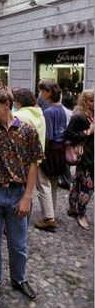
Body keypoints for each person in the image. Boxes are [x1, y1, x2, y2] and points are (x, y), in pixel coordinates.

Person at [0, 84, 44, 304]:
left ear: (7, 104)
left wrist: (27, 197)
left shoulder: (27, 131)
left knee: (18, 242)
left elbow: (34, 163)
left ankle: (19, 278)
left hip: (17, 194)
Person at [34, 81, 67, 232]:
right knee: (53, 182)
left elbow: (47, 136)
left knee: (43, 183)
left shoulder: (48, 112)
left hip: (50, 149)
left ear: (48, 93)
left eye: (42, 91)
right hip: (60, 148)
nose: (41, 94)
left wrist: (41, 155)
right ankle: (51, 211)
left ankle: (49, 217)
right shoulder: (61, 109)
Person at [13, 88, 46, 222]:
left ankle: (18, 220)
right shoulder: (39, 114)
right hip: (35, 159)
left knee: (19, 191)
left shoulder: (20, 116)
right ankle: (25, 219)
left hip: (21, 159)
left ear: (19, 101)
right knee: (28, 190)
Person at [65, 89, 94, 231]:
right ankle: (80, 213)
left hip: (90, 156)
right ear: (84, 101)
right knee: (86, 187)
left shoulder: (92, 115)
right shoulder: (78, 116)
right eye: (91, 101)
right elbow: (68, 135)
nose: (93, 104)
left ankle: (73, 207)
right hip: (85, 156)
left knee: (78, 182)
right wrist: (87, 132)